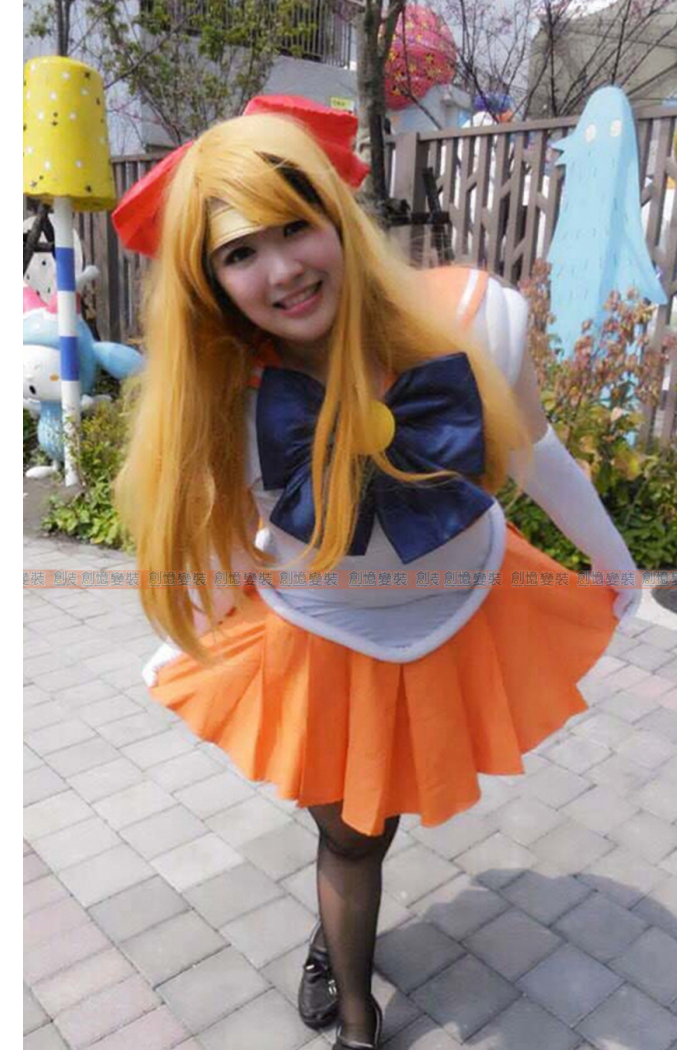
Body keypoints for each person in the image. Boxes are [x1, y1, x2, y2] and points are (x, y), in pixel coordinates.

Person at [113, 95, 640, 1050]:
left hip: (461, 609)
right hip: (324, 631)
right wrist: (188, 638)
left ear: (337, 214)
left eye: (294, 226)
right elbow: (231, 542)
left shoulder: (480, 320)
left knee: (381, 817)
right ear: (209, 280)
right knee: (351, 834)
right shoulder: (221, 398)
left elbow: (534, 449)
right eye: (240, 252)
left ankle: (337, 929)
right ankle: (357, 1020)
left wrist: (616, 562)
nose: (282, 270)